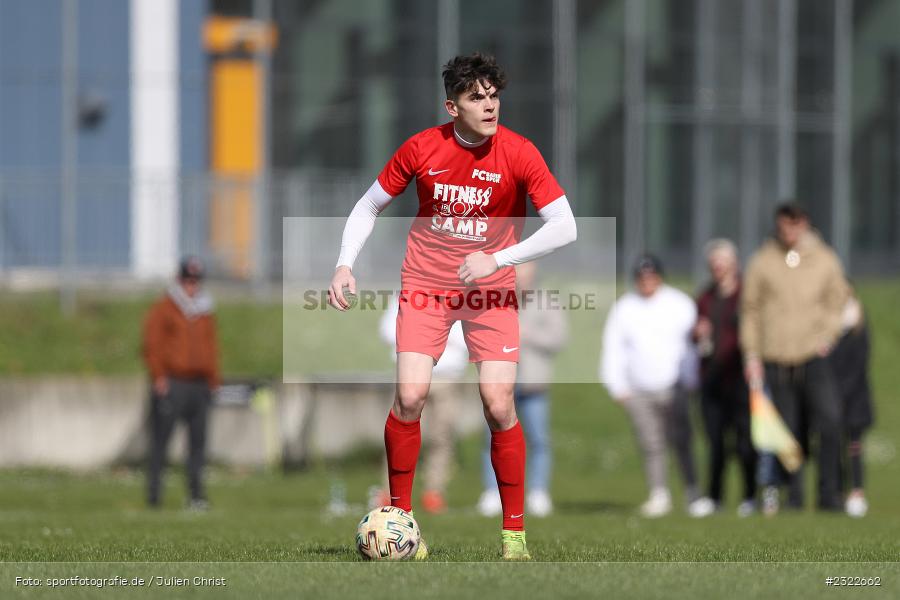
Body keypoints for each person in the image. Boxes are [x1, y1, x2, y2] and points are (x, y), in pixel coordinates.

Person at [328, 52, 577, 560]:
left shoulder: (520, 153)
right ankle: (402, 525)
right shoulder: (422, 148)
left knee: (498, 403)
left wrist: (498, 258)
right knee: (412, 397)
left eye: (494, 96)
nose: (489, 106)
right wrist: (343, 264)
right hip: (425, 286)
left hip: (491, 294)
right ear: (452, 106)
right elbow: (369, 204)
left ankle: (514, 538)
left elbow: (565, 226)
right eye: (476, 97)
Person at [741, 203, 848, 513]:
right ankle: (795, 495)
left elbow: (837, 300)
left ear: (804, 224)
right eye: (783, 226)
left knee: (829, 422)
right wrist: (752, 353)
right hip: (776, 357)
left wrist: (828, 335)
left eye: (794, 225)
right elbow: (751, 310)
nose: (789, 232)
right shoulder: (763, 261)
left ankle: (829, 493)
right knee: (786, 432)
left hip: (814, 354)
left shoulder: (824, 259)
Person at [601, 254, 714, 518]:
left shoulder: (679, 304)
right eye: (642, 277)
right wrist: (616, 385)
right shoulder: (625, 308)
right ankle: (659, 494)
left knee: (682, 440)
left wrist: (691, 379)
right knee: (651, 443)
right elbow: (613, 349)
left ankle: (693, 493)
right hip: (639, 388)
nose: (647, 282)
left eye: (651, 276)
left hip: (675, 386)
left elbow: (691, 346)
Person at [477, 261, 568, 518]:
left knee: (539, 440)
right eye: (518, 275)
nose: (522, 280)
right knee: (492, 438)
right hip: (500, 382)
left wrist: (525, 334)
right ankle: (492, 492)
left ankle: (538, 492)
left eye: (527, 274)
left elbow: (558, 338)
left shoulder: (547, 301)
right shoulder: (497, 301)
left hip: (534, 384)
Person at [375, 298, 469, 514]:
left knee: (442, 436)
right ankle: (389, 492)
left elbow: (467, 336)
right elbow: (388, 330)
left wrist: (424, 334)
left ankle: (433, 492)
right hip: (410, 372)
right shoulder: (408, 289)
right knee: (400, 432)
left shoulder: (462, 293)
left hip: (448, 376)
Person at [142, 256, 220, 510]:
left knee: (198, 444)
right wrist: (159, 376)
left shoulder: (205, 310)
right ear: (179, 279)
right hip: (173, 383)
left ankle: (196, 495)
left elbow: (211, 347)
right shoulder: (164, 308)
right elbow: (152, 345)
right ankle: (154, 497)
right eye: (187, 280)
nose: (192, 286)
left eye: (196, 281)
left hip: (198, 385)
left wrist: (213, 379)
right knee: (161, 442)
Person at [694, 239, 757, 516]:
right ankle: (714, 496)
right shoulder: (705, 298)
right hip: (712, 377)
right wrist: (697, 332)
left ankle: (750, 495)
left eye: (723, 262)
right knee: (715, 441)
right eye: (714, 263)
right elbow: (693, 334)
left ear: (734, 264)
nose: (718, 267)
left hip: (740, 377)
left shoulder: (747, 295)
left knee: (745, 441)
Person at [828, 289, 875, 517]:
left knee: (854, 447)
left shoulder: (859, 331)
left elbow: (859, 367)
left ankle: (857, 492)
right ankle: (837, 491)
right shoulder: (831, 330)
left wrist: (842, 392)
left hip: (855, 399)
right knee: (834, 446)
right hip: (834, 396)